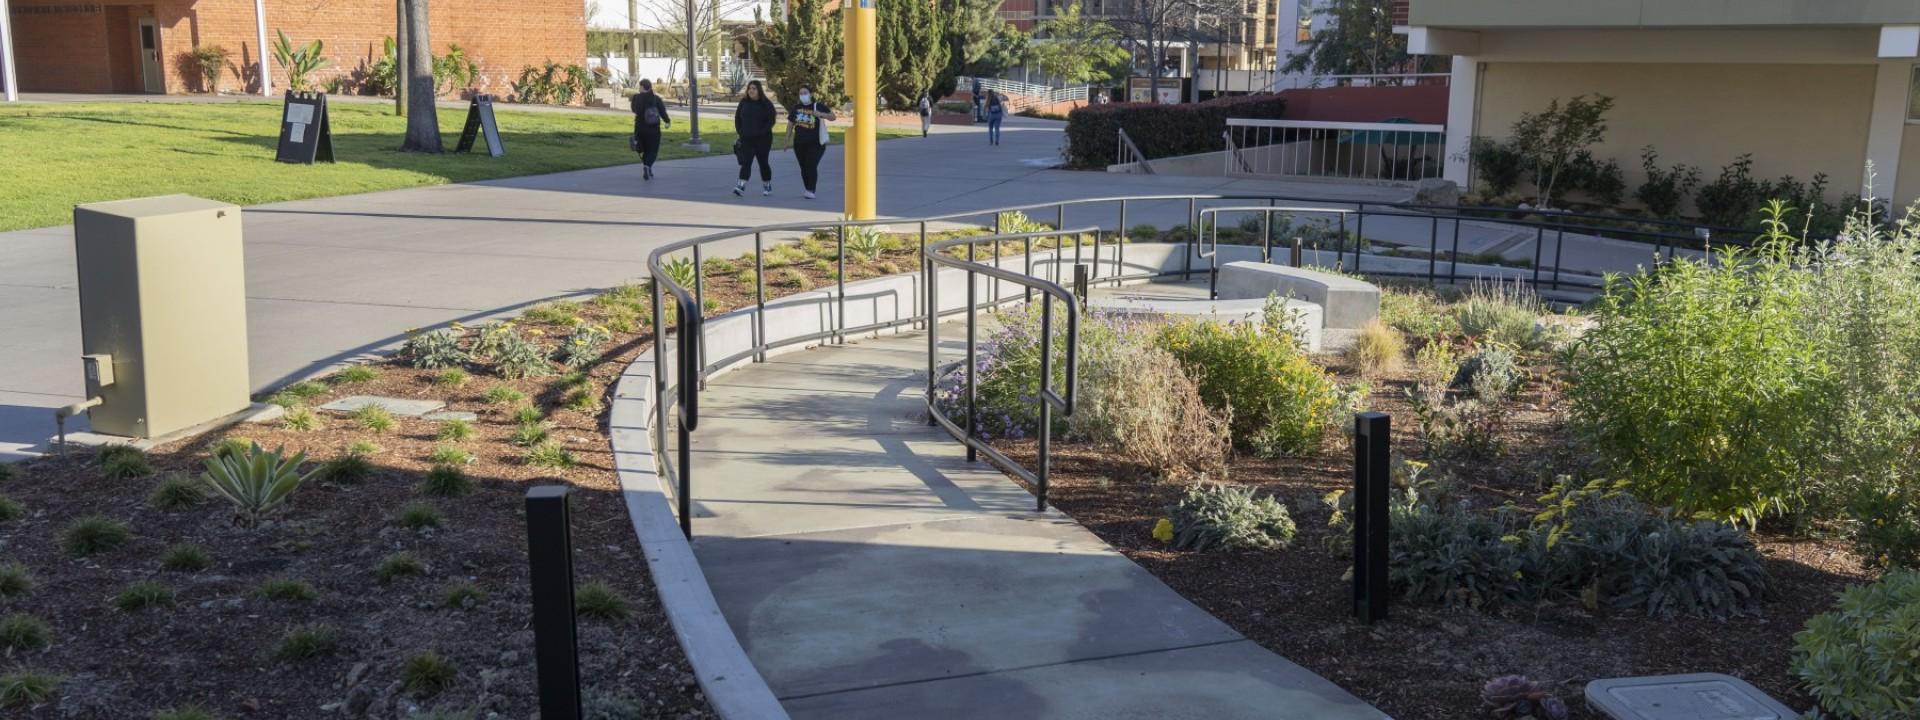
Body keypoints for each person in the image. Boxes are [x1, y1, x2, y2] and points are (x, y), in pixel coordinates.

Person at [786, 84, 838, 200]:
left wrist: (820, 114)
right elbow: (790, 125)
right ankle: (807, 188)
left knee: (811, 164)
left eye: (805, 93)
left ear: (810, 94)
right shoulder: (796, 108)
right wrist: (787, 140)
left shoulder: (817, 106)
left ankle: (811, 189)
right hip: (799, 143)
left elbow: (833, 117)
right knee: (803, 166)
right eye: (801, 93)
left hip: (816, 144)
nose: (803, 95)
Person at [732, 80, 777, 197]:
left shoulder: (766, 104)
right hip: (747, 138)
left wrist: (761, 132)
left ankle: (767, 185)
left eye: (754, 88)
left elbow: (771, 120)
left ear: (759, 90)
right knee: (746, 162)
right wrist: (740, 131)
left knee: (763, 163)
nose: (751, 90)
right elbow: (737, 118)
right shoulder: (744, 102)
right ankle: (740, 185)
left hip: (763, 139)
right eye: (749, 88)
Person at [629, 79, 670, 180]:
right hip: (653, 129)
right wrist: (667, 121)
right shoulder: (656, 99)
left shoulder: (636, 98)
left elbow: (634, 110)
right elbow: (662, 112)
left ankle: (647, 166)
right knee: (653, 150)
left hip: (639, 128)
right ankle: (647, 166)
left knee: (642, 149)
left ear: (642, 87)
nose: (639, 88)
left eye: (640, 86)